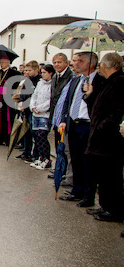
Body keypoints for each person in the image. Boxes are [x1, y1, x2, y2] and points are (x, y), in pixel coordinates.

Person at [58, 52, 106, 208]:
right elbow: (68, 101)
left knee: (88, 162)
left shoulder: (100, 82)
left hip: (88, 124)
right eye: (76, 60)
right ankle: (76, 190)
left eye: (80, 61)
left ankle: (88, 195)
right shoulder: (76, 80)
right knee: (76, 159)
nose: (76, 63)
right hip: (73, 124)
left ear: (91, 63)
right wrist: (64, 120)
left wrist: (91, 93)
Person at [83, 53, 124, 223]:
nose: (99, 67)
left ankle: (114, 210)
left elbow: (116, 111)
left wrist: (102, 127)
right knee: (103, 176)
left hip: (108, 139)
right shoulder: (109, 82)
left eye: (100, 64)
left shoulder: (119, 82)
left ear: (106, 65)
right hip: (100, 138)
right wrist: (90, 94)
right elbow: (97, 108)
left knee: (111, 177)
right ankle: (106, 205)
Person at [49, 53, 74, 185]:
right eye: (54, 62)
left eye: (59, 62)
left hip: (64, 117)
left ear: (66, 62)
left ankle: (65, 173)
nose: (57, 65)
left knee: (65, 147)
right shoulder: (55, 76)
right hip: (56, 115)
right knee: (58, 145)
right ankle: (59, 169)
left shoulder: (70, 76)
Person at [0, 57, 20, 145]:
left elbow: (17, 86)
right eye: (0, 62)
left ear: (8, 63)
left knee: (7, 120)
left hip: (7, 101)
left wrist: (8, 91)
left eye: (3, 62)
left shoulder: (14, 73)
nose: (1, 64)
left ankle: (7, 139)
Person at [28, 64, 54, 169]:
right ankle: (40, 157)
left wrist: (39, 108)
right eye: (41, 72)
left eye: (44, 73)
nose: (42, 75)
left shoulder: (53, 85)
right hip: (35, 113)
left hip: (44, 114)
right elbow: (34, 95)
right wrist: (33, 106)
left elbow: (51, 100)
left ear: (50, 73)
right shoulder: (40, 83)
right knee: (36, 136)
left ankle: (47, 159)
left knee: (42, 135)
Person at [16, 61, 40, 161]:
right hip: (25, 109)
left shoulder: (39, 81)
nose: (27, 72)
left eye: (29, 70)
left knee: (34, 133)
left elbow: (35, 96)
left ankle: (35, 154)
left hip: (33, 109)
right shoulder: (27, 80)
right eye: (26, 70)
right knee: (26, 132)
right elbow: (23, 93)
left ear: (36, 70)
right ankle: (26, 151)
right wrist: (21, 101)